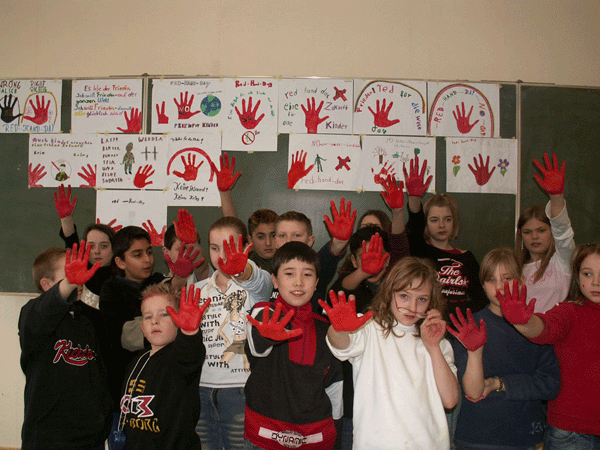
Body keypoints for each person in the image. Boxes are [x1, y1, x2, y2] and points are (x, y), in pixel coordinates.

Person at [325, 257, 459, 449]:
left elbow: (450, 400)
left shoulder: (439, 343)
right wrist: (339, 329)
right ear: (389, 293)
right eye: (404, 296)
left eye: (422, 299)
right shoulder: (369, 327)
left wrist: (433, 347)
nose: (412, 307)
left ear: (431, 303)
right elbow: (341, 345)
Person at [448, 247, 560, 450]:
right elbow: (473, 392)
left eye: (507, 279)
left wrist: (500, 383)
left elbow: (550, 385)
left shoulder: (535, 326)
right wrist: (475, 353)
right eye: (491, 280)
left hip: (522, 435)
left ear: (521, 281)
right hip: (476, 436)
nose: (499, 287)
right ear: (482, 285)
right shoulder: (471, 326)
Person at [498, 243, 600, 450]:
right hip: (572, 431)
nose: (596, 282)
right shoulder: (570, 312)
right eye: (587, 274)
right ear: (577, 276)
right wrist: (524, 322)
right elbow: (545, 328)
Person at [245, 241, 343, 450]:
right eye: (289, 273)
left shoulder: (326, 329)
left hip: (316, 437)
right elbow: (256, 346)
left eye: (307, 274)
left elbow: (335, 386)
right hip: (263, 437)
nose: (298, 282)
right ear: (275, 280)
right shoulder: (263, 313)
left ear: (316, 283)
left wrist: (337, 429)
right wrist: (267, 337)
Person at [19, 243, 112, 450]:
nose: (78, 279)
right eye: (68, 273)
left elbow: (99, 377)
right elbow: (46, 308)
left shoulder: (86, 321)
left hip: (90, 439)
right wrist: (69, 283)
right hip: (47, 439)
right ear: (46, 284)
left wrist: (101, 421)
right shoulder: (32, 315)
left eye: (77, 272)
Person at [193, 216, 272, 450]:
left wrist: (242, 270)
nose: (222, 256)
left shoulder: (256, 285)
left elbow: (258, 281)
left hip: (241, 390)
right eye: (214, 248)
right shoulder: (197, 289)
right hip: (201, 389)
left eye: (229, 248)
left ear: (246, 246)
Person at [118, 283, 209, 450]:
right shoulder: (137, 361)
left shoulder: (178, 358)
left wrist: (189, 332)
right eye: (148, 317)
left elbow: (189, 355)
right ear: (142, 328)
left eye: (164, 314)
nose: (155, 321)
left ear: (179, 320)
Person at [99, 226, 166, 435]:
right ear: (120, 262)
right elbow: (124, 337)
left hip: (159, 384)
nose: (147, 260)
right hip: (124, 388)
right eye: (137, 255)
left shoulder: (158, 282)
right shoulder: (111, 290)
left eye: (149, 252)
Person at [405, 155, 486, 315]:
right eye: (434, 220)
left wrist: (457, 315)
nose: (442, 225)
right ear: (426, 224)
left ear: (454, 222)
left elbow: (480, 300)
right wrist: (414, 198)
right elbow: (414, 226)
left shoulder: (467, 259)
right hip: (426, 322)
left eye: (447, 219)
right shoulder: (420, 251)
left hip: (458, 325)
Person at [516, 153, 575, 313]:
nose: (534, 237)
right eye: (527, 232)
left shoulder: (562, 261)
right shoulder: (514, 268)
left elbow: (563, 231)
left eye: (541, 230)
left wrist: (556, 197)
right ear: (520, 235)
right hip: (521, 329)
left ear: (551, 231)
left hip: (554, 328)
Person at [274, 198, 354, 313]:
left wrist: (340, 241)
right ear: (275, 241)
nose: (289, 241)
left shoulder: (316, 266)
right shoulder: (266, 270)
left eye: (296, 235)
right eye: (282, 236)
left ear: (310, 241)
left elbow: (329, 255)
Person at [54, 183, 116, 309]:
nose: (96, 251)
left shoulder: (122, 275)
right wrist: (66, 219)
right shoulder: (80, 271)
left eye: (104, 246)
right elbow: (71, 240)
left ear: (114, 248)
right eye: (91, 246)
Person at [162, 209, 210, 290]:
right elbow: (173, 288)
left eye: (191, 248)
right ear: (166, 252)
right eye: (182, 248)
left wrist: (191, 243)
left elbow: (202, 264)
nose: (187, 253)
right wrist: (180, 276)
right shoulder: (158, 282)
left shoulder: (200, 274)